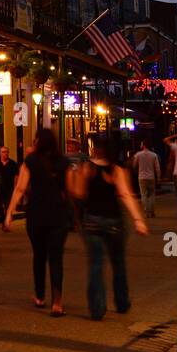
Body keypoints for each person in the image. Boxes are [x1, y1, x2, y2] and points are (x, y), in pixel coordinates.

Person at [71, 136, 149, 320]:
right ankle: (122, 302)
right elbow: (125, 194)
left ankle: (97, 309)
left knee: (96, 265)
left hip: (92, 221)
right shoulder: (116, 170)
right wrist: (138, 220)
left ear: (96, 149)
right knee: (118, 263)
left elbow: (79, 194)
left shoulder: (86, 168)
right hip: (114, 221)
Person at [4, 128, 75, 316]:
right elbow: (70, 191)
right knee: (56, 258)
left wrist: (9, 212)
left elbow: (20, 189)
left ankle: (40, 296)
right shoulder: (64, 163)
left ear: (38, 142)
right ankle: (57, 302)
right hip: (58, 215)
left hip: (36, 214)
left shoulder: (30, 162)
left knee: (39, 256)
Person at [131, 139, 161, 218]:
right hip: (151, 177)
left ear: (144, 145)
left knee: (143, 195)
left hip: (141, 177)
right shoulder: (154, 155)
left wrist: (137, 171)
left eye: (141, 144)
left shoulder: (138, 155)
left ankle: (146, 212)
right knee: (151, 195)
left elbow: (134, 165)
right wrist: (158, 178)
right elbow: (157, 168)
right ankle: (151, 211)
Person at [0, 146, 20, 219]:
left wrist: (15, 188)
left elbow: (16, 176)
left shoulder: (13, 163)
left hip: (9, 190)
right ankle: (2, 220)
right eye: (3, 152)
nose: (5, 153)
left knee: (8, 208)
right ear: (0, 153)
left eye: (7, 152)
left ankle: (6, 222)